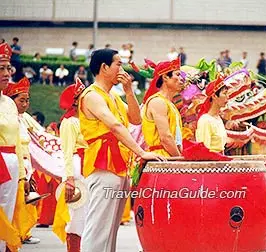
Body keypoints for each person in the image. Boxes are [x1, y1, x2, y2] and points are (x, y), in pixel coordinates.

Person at [79, 48, 163, 252]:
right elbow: (115, 126)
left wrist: (128, 91)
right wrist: (141, 153)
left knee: (110, 228)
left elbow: (135, 119)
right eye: (118, 64)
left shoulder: (114, 97)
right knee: (99, 227)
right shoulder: (92, 95)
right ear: (104, 67)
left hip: (118, 164)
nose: (121, 68)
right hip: (103, 164)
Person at [3, 77, 40, 245]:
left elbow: (39, 136)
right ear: (12, 101)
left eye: (27, 100)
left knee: (18, 203)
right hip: (9, 161)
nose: (25, 104)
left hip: (22, 163)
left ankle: (20, 235)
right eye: (21, 100)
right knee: (11, 204)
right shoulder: (11, 116)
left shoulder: (23, 118)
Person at [53, 78, 88, 252]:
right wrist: (69, 179)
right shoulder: (69, 122)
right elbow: (66, 152)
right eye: (83, 96)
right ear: (75, 100)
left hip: (88, 164)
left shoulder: (86, 119)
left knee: (86, 213)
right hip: (76, 166)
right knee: (76, 214)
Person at [0, 42, 26, 251]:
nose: (6, 73)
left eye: (8, 68)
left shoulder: (9, 102)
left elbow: (17, 141)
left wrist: (22, 175)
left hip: (11, 163)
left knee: (7, 213)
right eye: (1, 68)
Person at [142, 57, 183, 157]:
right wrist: (179, 159)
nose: (181, 79)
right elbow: (166, 138)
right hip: (160, 158)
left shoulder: (170, 104)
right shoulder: (157, 102)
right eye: (177, 75)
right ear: (165, 77)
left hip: (169, 157)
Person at [196, 75, 230, 153]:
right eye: (225, 93)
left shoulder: (218, 119)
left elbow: (221, 149)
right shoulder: (205, 120)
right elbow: (203, 151)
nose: (228, 97)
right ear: (214, 96)